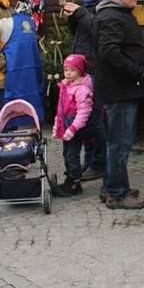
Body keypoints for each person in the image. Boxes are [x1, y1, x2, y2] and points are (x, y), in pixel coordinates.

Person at [90, 0, 144, 210]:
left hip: (119, 89)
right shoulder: (112, 16)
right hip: (120, 90)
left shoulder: (116, 13)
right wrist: (136, 71)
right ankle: (117, 193)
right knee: (119, 144)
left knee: (116, 141)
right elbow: (109, 52)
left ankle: (110, 186)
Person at [62, 0, 108, 182]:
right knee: (86, 117)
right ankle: (90, 162)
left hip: (95, 70)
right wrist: (73, 17)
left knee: (95, 119)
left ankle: (99, 163)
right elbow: (80, 34)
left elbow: (99, 30)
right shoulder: (86, 5)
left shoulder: (104, 4)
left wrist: (80, 13)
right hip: (81, 70)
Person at [53, 53, 95, 197]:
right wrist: (56, 125)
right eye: (66, 70)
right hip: (66, 126)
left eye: (72, 70)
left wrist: (73, 128)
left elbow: (84, 112)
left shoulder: (82, 89)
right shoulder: (66, 87)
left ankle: (75, 182)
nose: (68, 73)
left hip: (74, 128)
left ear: (80, 71)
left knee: (72, 155)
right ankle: (69, 178)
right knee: (66, 154)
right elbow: (60, 109)